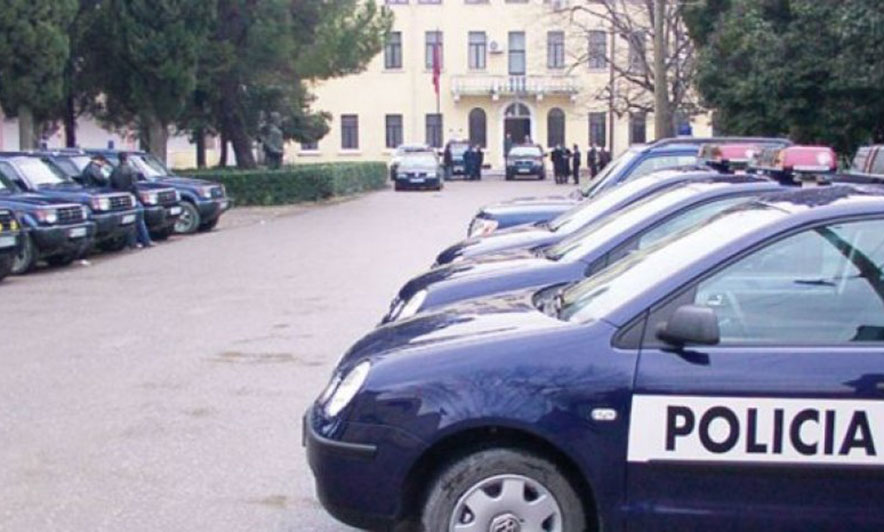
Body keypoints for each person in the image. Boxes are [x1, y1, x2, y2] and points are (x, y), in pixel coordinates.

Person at [110, 152, 153, 249]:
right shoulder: (131, 170)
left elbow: (111, 184)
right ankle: (146, 241)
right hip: (132, 196)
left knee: (128, 221)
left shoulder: (114, 170)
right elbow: (134, 185)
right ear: (127, 158)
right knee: (140, 220)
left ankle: (132, 243)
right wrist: (138, 196)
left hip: (121, 198)